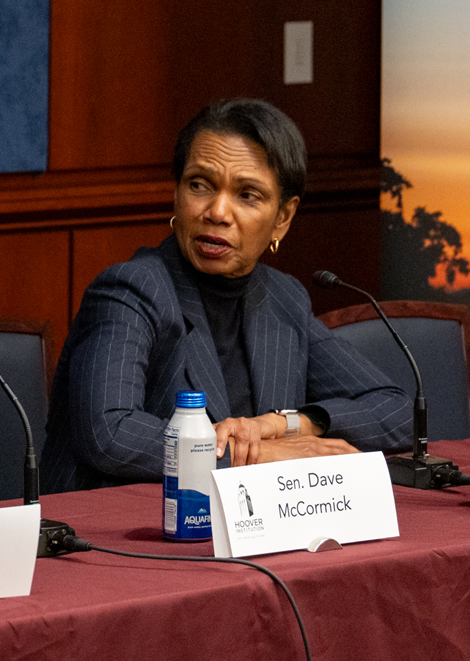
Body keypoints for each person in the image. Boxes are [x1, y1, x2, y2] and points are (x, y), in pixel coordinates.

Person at [42, 98, 411, 492]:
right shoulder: (131, 291)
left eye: (247, 195)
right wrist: (264, 456)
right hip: (121, 533)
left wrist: (283, 424)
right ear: (176, 192)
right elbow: (110, 434)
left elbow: (398, 411)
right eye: (200, 185)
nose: (217, 211)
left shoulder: (283, 297)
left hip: (250, 530)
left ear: (282, 219)